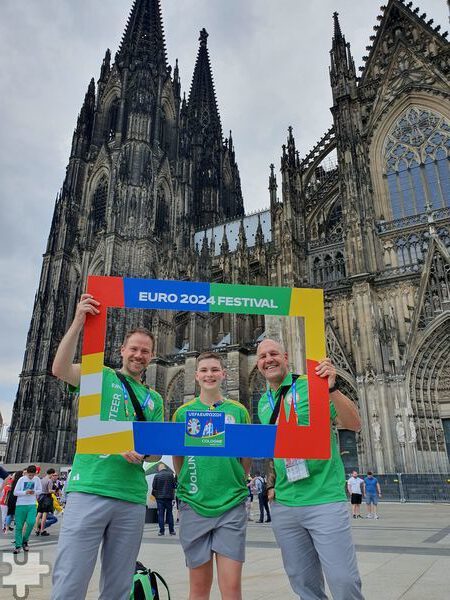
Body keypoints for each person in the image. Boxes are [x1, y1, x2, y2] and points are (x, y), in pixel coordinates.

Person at [51, 293, 163, 600]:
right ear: (122, 350)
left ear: (151, 356)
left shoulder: (155, 399)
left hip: (129, 496)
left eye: (145, 351)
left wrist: (143, 453)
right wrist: (78, 321)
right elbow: (59, 369)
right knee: (70, 582)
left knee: (117, 587)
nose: (139, 355)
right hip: (89, 488)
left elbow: (155, 452)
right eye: (134, 349)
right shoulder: (100, 376)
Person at [257, 338, 364, 600]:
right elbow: (274, 450)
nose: (268, 359)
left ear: (285, 356)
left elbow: (353, 423)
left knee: (343, 581)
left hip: (324, 498)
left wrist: (332, 389)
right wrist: (271, 485)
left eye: (274, 354)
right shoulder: (263, 403)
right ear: (258, 364)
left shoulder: (311, 385)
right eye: (262, 356)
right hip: (285, 505)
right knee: (303, 584)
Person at [173, 352, 251, 600]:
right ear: (196, 376)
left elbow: (246, 453)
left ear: (223, 374)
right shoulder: (183, 413)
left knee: (231, 590)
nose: (209, 374)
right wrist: (186, 481)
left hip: (231, 504)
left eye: (215, 369)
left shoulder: (238, 411)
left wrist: (240, 478)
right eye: (204, 370)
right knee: (198, 590)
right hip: (194, 504)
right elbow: (178, 456)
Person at [13, 465, 42, 554]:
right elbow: (15, 492)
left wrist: (34, 492)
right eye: (29, 475)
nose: (31, 477)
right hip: (20, 505)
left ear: (35, 473)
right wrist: (25, 492)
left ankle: (25, 541)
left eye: (32, 475)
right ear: (26, 473)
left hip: (32, 504)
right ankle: (18, 545)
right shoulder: (21, 479)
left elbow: (40, 490)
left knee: (31, 522)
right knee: (19, 526)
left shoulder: (37, 479)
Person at [152, 463, 176, 536]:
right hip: (169, 497)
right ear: (165, 467)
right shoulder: (171, 475)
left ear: (159, 468)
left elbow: (154, 487)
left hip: (159, 498)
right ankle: (171, 531)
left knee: (161, 514)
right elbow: (174, 486)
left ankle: (161, 531)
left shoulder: (157, 475)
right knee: (170, 514)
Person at [35, 468, 58, 536]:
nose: (53, 475)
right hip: (47, 497)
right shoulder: (49, 480)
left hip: (40, 497)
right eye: (53, 474)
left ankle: (36, 529)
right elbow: (50, 490)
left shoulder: (42, 479)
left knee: (39, 514)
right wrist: (55, 491)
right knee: (44, 514)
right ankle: (42, 530)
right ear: (51, 474)